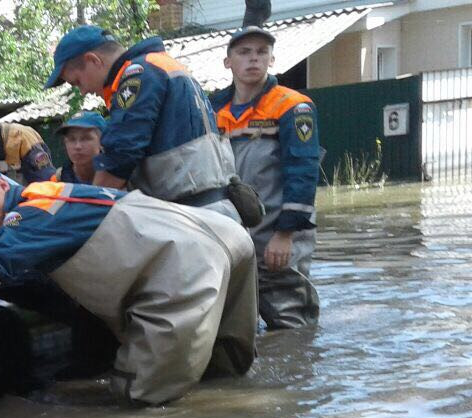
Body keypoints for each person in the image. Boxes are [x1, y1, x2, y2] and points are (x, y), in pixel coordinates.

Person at [0, 164, 257, 406]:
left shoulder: (28, 217)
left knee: (146, 402)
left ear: (2, 186)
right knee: (225, 376)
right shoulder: (51, 194)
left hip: (185, 265)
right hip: (224, 235)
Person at [46, 25, 245, 222]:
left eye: (77, 82)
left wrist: (86, 214)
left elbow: (120, 154)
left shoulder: (138, 74)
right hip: (215, 211)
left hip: (192, 217)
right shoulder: (162, 64)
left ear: (93, 60)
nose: (82, 91)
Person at [211, 26, 321, 328]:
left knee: (291, 324)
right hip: (229, 234)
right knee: (231, 324)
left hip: (277, 233)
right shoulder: (212, 109)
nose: (253, 59)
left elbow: (303, 172)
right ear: (227, 62)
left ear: (272, 60)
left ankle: (295, 372)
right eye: (244, 52)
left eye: (261, 52)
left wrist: (285, 235)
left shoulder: (292, 105)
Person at [51, 110, 106, 184]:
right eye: (71, 139)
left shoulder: (120, 177)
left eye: (86, 138)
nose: (78, 146)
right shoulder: (58, 179)